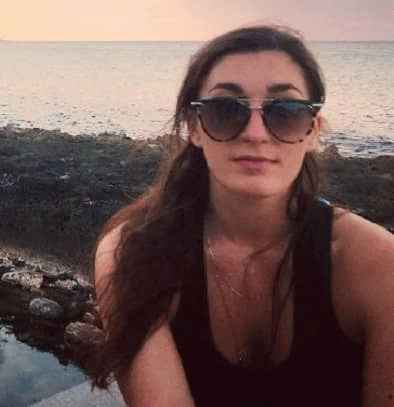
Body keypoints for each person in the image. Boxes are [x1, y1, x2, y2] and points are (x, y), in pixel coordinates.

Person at [88, 25, 394, 406]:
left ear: (313, 131)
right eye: (225, 110)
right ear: (194, 127)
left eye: (285, 112)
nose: (255, 133)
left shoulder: (376, 265)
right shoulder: (134, 252)